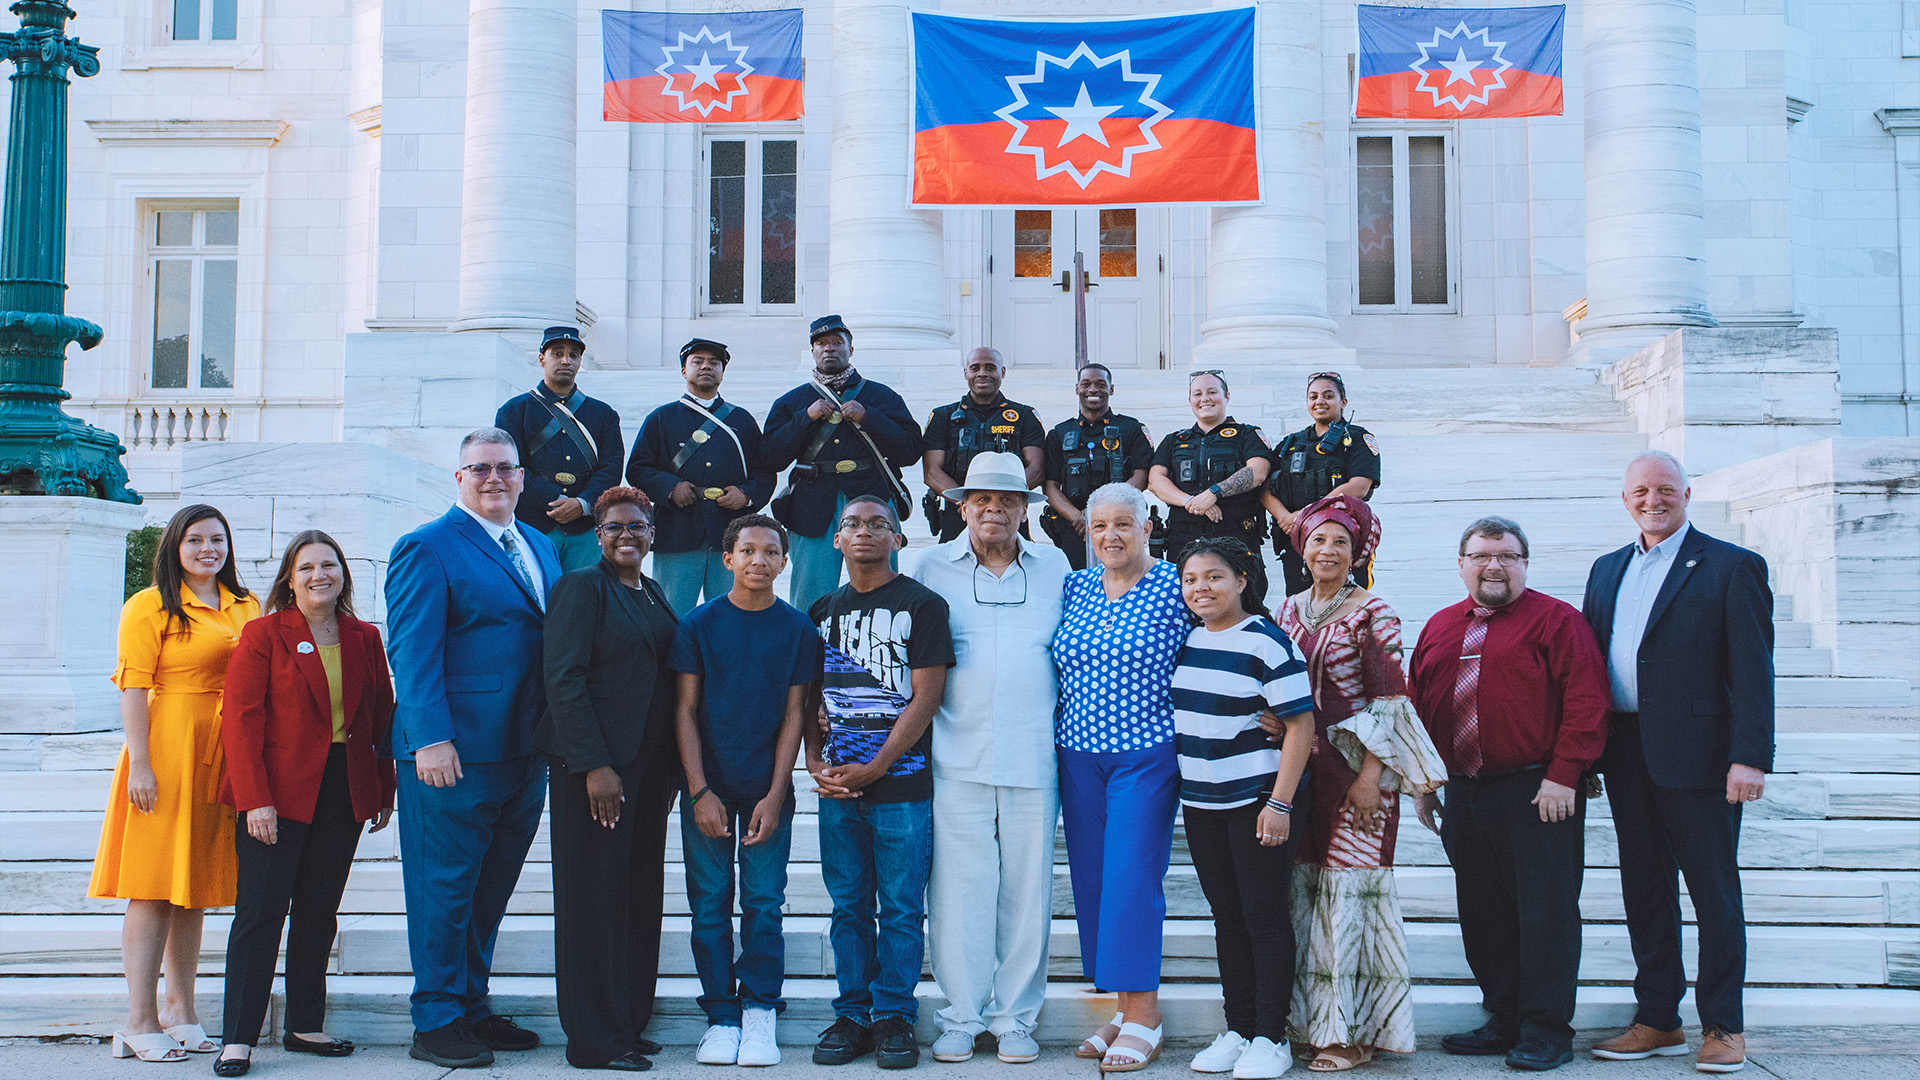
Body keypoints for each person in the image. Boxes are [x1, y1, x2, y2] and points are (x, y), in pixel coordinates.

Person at [1581, 451, 1774, 1074]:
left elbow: (1752, 671)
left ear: (1687, 494)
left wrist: (1749, 757)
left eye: (1665, 489)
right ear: (1625, 497)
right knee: (1645, 889)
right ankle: (1658, 1018)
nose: (1652, 499)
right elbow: (1591, 668)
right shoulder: (1607, 569)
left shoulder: (1731, 566)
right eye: (1640, 490)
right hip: (1626, 752)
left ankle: (1723, 1025)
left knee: (1713, 892)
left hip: (1702, 757)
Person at [1406, 517, 1610, 1073]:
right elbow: (1420, 705)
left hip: (1537, 789)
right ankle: (1503, 1016)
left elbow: (1587, 701)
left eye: (1506, 556)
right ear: (1461, 563)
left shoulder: (1557, 621)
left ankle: (1547, 1028)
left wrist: (1565, 774)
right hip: (1466, 792)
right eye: (1481, 556)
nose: (1493, 565)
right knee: (1484, 910)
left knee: (1546, 913)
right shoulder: (1442, 626)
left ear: (1524, 562)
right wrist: (1425, 782)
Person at [384, 428, 561, 1068]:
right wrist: (429, 738)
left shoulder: (538, 544)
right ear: (458, 478)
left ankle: (472, 1005)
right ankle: (434, 1019)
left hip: (524, 749)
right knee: (444, 888)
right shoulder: (426, 548)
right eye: (478, 468)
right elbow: (411, 651)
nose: (493, 478)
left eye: (504, 468)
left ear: (522, 477)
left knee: (489, 889)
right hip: (451, 754)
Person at [1273, 494, 1446, 1073]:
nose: (1327, 549)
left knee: (1350, 901)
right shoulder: (1287, 611)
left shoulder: (1376, 612)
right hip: (1300, 776)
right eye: (1318, 539)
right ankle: (1310, 1021)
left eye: (1340, 542)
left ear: (1358, 552)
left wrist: (1373, 777)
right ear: (1302, 547)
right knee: (1307, 894)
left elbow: (1393, 702)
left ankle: (1353, 1031)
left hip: (1357, 779)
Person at [215, 531, 396, 1076]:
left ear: (343, 573)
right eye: (307, 567)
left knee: (318, 912)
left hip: (343, 789)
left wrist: (381, 788)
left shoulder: (364, 637)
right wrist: (255, 800)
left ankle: (303, 1025)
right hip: (277, 791)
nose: (320, 575)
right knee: (260, 914)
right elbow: (240, 723)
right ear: (289, 580)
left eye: (330, 565)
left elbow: (380, 718)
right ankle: (239, 1038)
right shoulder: (264, 634)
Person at [910, 451, 1070, 1065]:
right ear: (963, 506)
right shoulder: (930, 565)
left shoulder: (1056, 564)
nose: (994, 510)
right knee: (957, 891)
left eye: (1006, 500)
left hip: (1035, 753)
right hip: (956, 752)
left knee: (1027, 892)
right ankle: (961, 1013)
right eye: (981, 500)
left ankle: (1014, 1018)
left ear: (1025, 508)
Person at [90, 504, 260, 1063]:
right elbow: (134, 689)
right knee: (154, 884)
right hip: (165, 749)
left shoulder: (245, 605)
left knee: (195, 889)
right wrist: (141, 764)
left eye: (217, 539)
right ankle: (138, 1019)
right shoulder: (150, 605)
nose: (208, 549)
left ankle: (180, 1008)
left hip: (221, 753)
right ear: (174, 547)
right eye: (195, 540)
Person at [804, 496, 955, 1070]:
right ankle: (851, 1014)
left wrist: (879, 765)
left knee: (897, 906)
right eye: (852, 524)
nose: (863, 532)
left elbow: (928, 697)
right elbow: (809, 699)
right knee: (848, 906)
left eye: (877, 524)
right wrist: (815, 764)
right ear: (836, 540)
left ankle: (893, 1015)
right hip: (838, 785)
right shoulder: (820, 609)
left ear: (898, 538)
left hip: (902, 785)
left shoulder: (922, 605)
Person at [669, 514, 823, 1068]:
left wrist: (778, 794)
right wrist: (699, 791)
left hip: (766, 790)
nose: (760, 560)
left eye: (771, 552)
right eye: (748, 551)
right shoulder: (698, 624)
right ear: (728, 558)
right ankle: (721, 1016)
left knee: (763, 902)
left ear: (785, 562)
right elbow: (684, 712)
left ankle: (760, 1010)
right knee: (709, 903)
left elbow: (794, 716)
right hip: (708, 788)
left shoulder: (799, 630)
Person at [537, 488, 681, 1072]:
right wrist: (594, 764)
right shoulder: (581, 588)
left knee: (637, 896)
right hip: (596, 774)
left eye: (639, 527)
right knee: (593, 900)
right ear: (598, 534)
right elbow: (563, 678)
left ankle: (626, 1021)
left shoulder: (653, 592)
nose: (628, 535)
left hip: (648, 774)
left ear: (652, 534)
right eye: (616, 526)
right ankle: (593, 1039)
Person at [1048, 483, 1189, 1073]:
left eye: (1123, 524)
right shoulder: (1076, 585)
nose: (1110, 535)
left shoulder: (1176, 583)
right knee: (1094, 881)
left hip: (1145, 751)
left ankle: (1146, 1013)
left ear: (1148, 526)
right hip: (1077, 752)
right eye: (1099, 525)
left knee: (1132, 877)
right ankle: (1122, 1006)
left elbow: (1224, 634)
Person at [1171, 538, 1317, 1080]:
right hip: (1203, 801)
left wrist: (1279, 803)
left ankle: (1270, 1036)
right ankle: (1237, 1028)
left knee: (1263, 918)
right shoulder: (1187, 640)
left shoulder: (1266, 642)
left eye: (1213, 577)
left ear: (1242, 581)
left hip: (1257, 799)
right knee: (1227, 918)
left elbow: (1301, 725)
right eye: (1190, 579)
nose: (1200, 588)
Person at [763, 315, 924, 615]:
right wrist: (805, 418)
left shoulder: (880, 396)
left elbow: (911, 450)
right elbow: (770, 456)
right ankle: (811, 657)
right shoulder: (793, 401)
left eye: (837, 343)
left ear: (851, 349)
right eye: (821, 343)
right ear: (812, 351)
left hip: (872, 499)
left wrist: (870, 417)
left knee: (880, 587)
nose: (829, 349)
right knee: (810, 595)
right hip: (812, 505)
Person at [625, 338, 775, 613]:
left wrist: (746, 495)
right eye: (697, 362)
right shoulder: (661, 418)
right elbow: (637, 468)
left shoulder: (742, 420)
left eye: (713, 363)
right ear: (684, 370)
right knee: (671, 614)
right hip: (678, 531)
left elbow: (764, 471)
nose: (706, 367)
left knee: (733, 614)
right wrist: (670, 488)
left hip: (731, 534)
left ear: (722, 372)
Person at [494, 325, 626, 573]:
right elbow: (509, 466)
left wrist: (583, 503)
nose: (566, 360)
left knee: (583, 602)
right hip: (533, 524)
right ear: (542, 358)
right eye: (557, 353)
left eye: (573, 354)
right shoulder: (514, 411)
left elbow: (611, 467)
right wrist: (556, 499)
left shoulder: (603, 414)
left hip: (585, 529)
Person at [1262, 372, 1382, 596]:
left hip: (1341, 541)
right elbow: (1264, 486)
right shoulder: (1291, 443)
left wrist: (1306, 514)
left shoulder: (1357, 438)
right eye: (1313, 396)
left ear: (1343, 402)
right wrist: (1284, 517)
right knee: (1300, 606)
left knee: (1346, 607)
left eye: (1328, 396)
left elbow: (1359, 485)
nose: (1319, 401)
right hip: (1296, 541)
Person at [922, 347, 1046, 542]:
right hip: (957, 513)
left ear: (1002, 372)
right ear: (966, 373)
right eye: (975, 368)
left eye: (990, 368)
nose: (982, 373)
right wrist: (969, 502)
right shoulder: (942, 417)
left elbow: (1037, 469)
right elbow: (931, 472)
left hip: (1007, 513)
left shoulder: (1024, 416)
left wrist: (1002, 499)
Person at [1149, 370, 1272, 560]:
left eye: (1212, 392)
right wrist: (1191, 501)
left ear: (1227, 396)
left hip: (1236, 539)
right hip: (1183, 541)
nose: (1205, 398)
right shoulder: (1174, 440)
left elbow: (1258, 472)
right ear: (1190, 400)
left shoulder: (1247, 435)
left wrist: (1213, 493)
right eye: (1197, 394)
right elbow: (1155, 480)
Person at [1040, 364, 1153, 571]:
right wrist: (1081, 518)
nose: (1093, 389)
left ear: (1111, 389)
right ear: (1077, 389)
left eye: (1101, 384)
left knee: (1125, 580)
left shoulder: (1132, 429)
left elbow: (1142, 476)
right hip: (1074, 527)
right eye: (1086, 384)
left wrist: (1101, 514)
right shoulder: (1059, 433)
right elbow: (1050, 486)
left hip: (1121, 524)